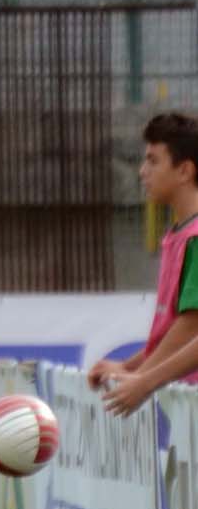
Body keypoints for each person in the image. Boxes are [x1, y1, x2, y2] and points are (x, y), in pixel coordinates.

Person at [94, 112, 198, 416]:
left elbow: (191, 326)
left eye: (153, 161)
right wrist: (128, 367)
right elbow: (171, 333)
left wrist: (142, 379)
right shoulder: (179, 235)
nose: (142, 172)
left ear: (184, 170)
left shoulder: (195, 237)